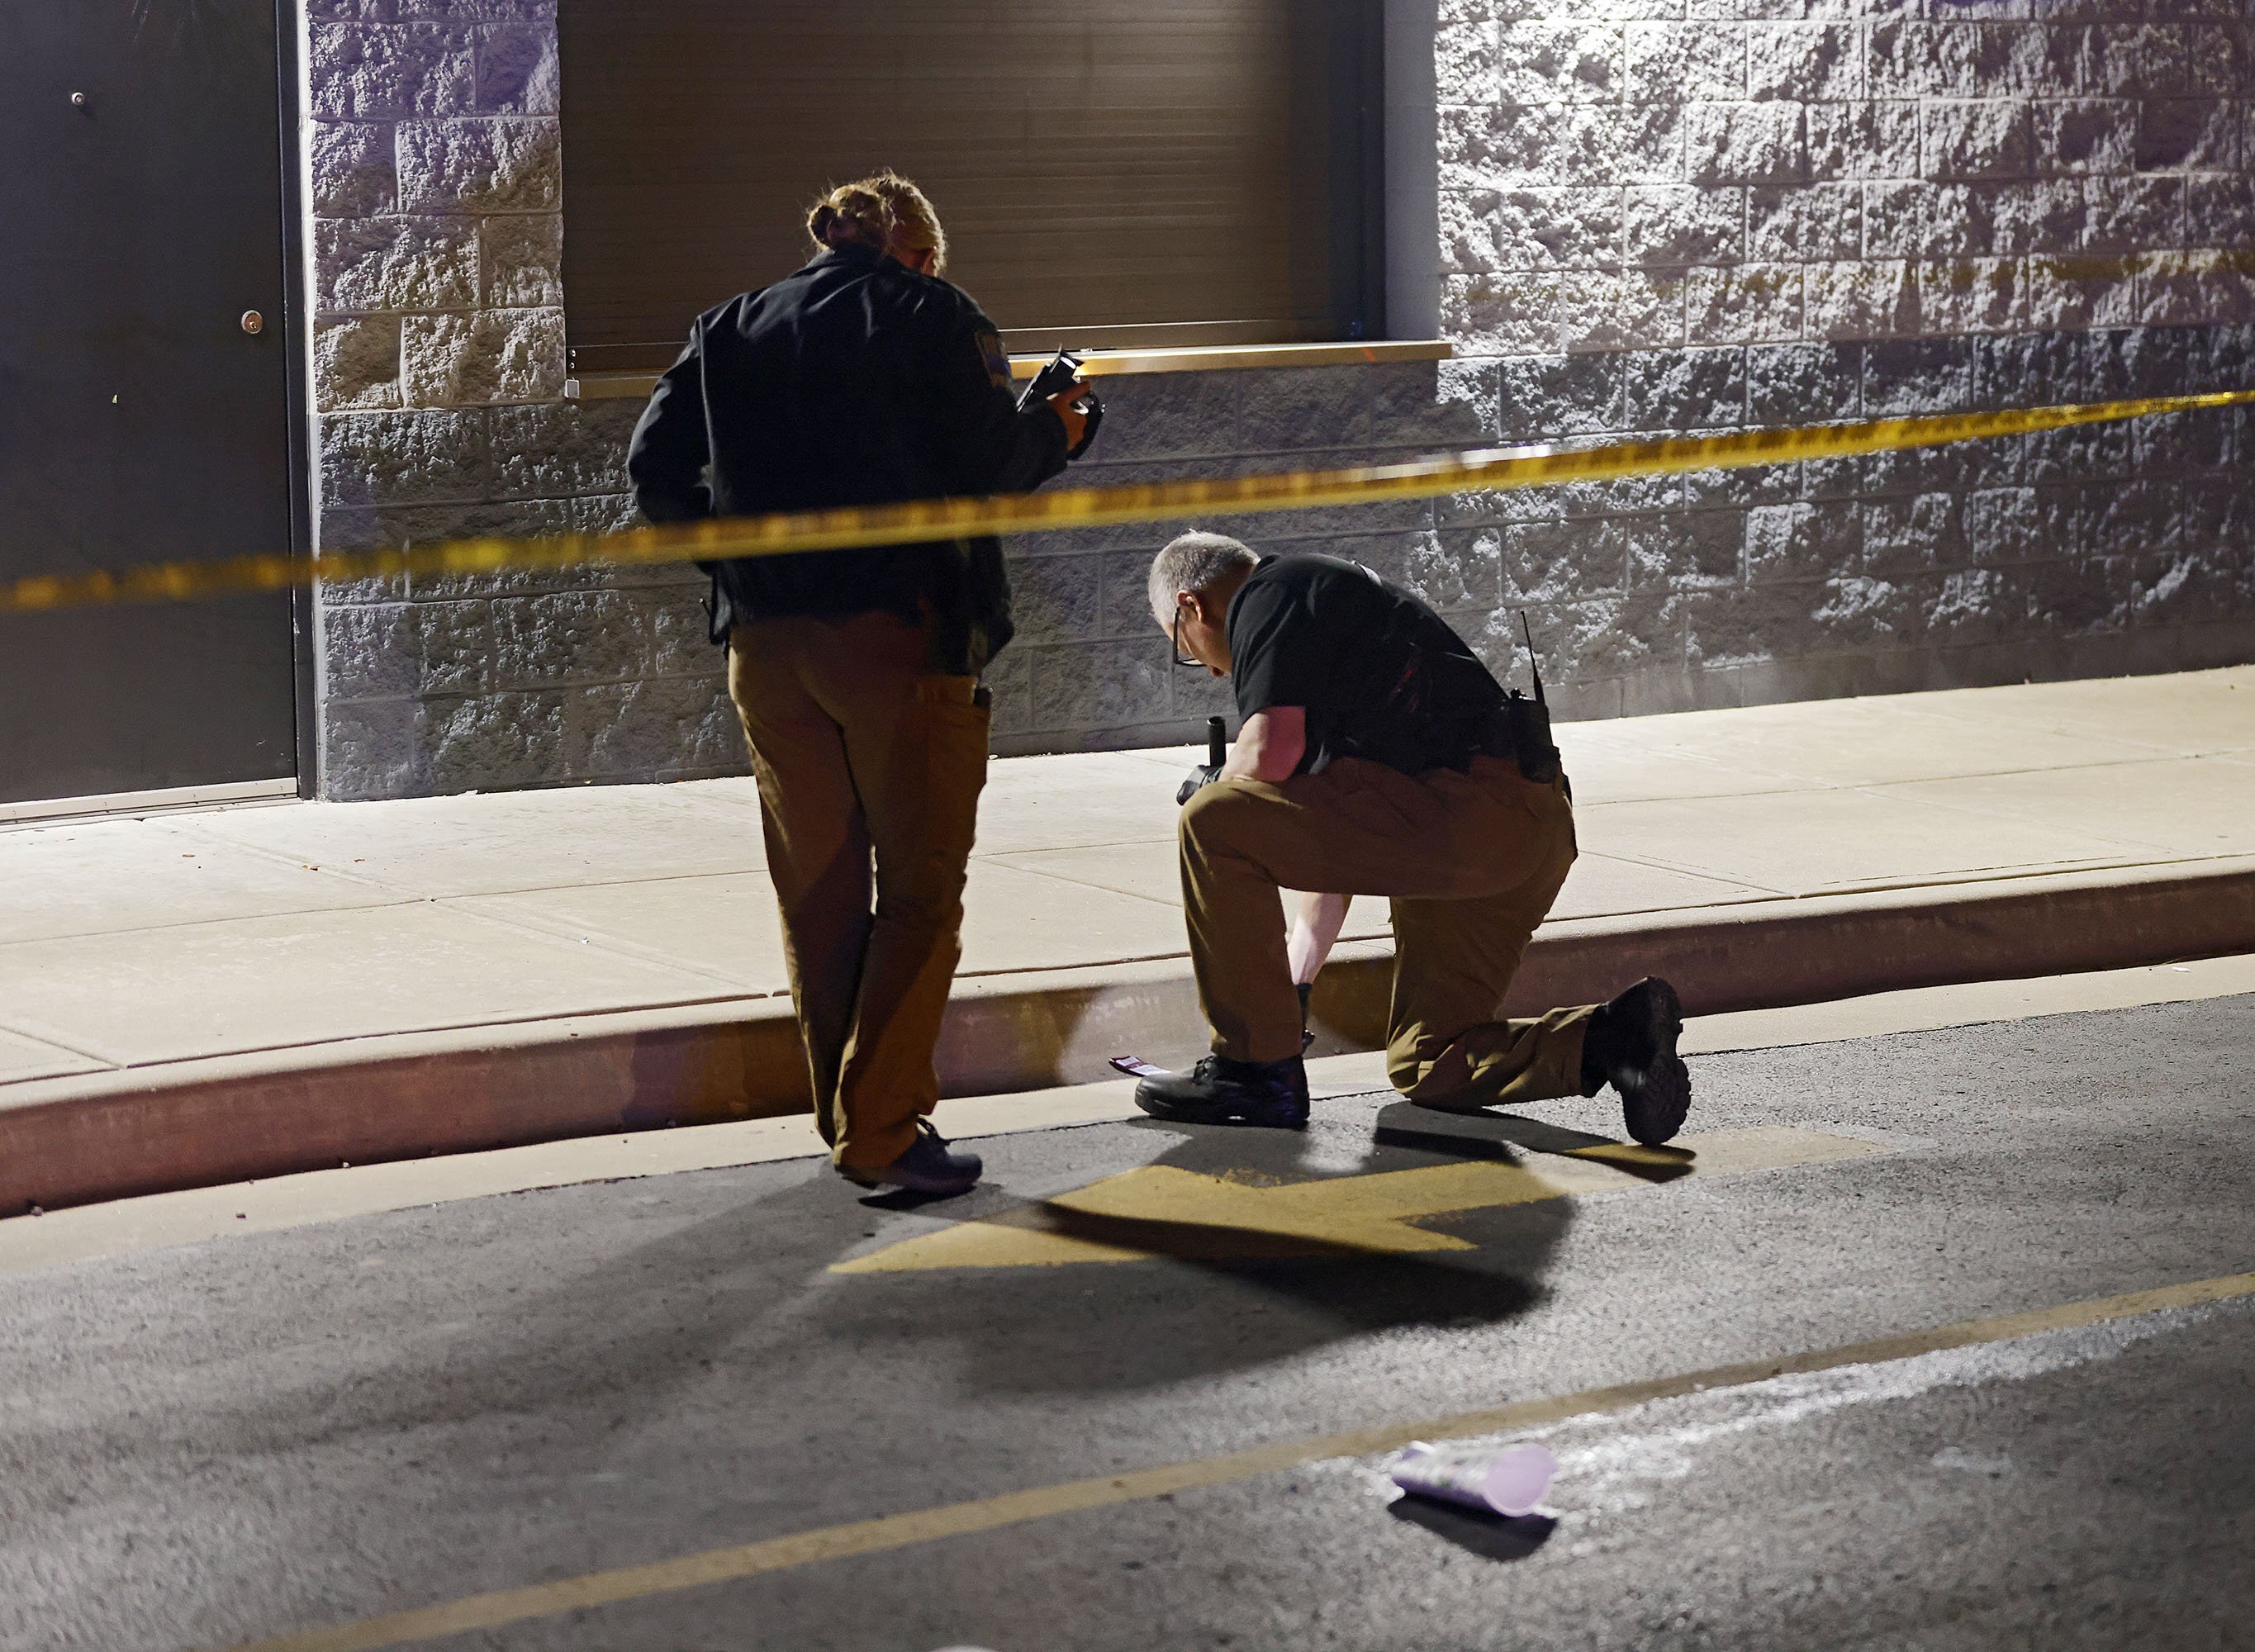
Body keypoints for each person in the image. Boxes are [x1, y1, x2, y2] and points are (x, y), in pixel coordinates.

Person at [628, 172, 1093, 1199]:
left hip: (767, 646)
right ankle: (881, 1128)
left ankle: (846, 1115)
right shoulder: (935, 313)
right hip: (900, 640)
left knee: (820, 893)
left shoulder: (727, 326)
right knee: (921, 889)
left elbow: (652, 469)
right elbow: (994, 460)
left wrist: (740, 569)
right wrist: (1060, 426)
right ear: (915, 250)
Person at [1136, 531, 1692, 1141]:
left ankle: (1249, 1074)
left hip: (1459, 814)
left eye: (1186, 649)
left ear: (1191, 607)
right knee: (1427, 1061)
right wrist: (1292, 988)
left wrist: (1223, 787)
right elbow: (1327, 851)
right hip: (1524, 827)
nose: (1214, 670)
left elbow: (1268, 755)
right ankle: (1617, 1036)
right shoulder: (1326, 622)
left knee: (1212, 819)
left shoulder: (1270, 593)